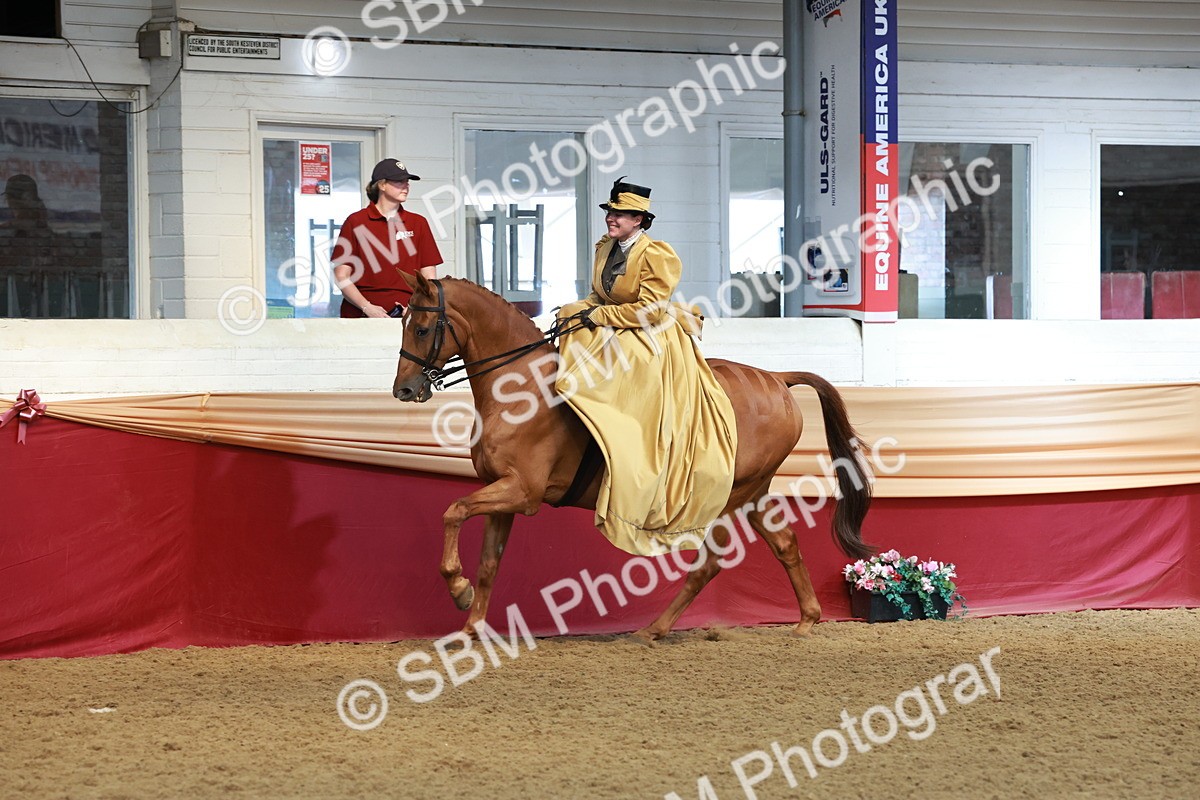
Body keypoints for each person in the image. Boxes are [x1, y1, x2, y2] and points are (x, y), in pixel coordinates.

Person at [554, 177, 738, 556]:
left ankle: (635, 445)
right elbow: (600, 295)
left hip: (649, 333)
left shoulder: (657, 254)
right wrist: (580, 309)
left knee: (633, 368)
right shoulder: (605, 247)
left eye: (620, 214)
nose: (612, 218)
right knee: (570, 319)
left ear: (638, 220)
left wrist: (599, 315)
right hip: (615, 323)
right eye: (610, 212)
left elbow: (649, 310)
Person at [330, 158, 442, 318]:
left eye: (407, 182)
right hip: (360, 317)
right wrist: (367, 307)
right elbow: (341, 275)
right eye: (399, 181)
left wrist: (415, 308)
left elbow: (429, 279)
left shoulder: (418, 223)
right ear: (382, 185)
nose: (406, 186)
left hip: (408, 318)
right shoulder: (356, 221)